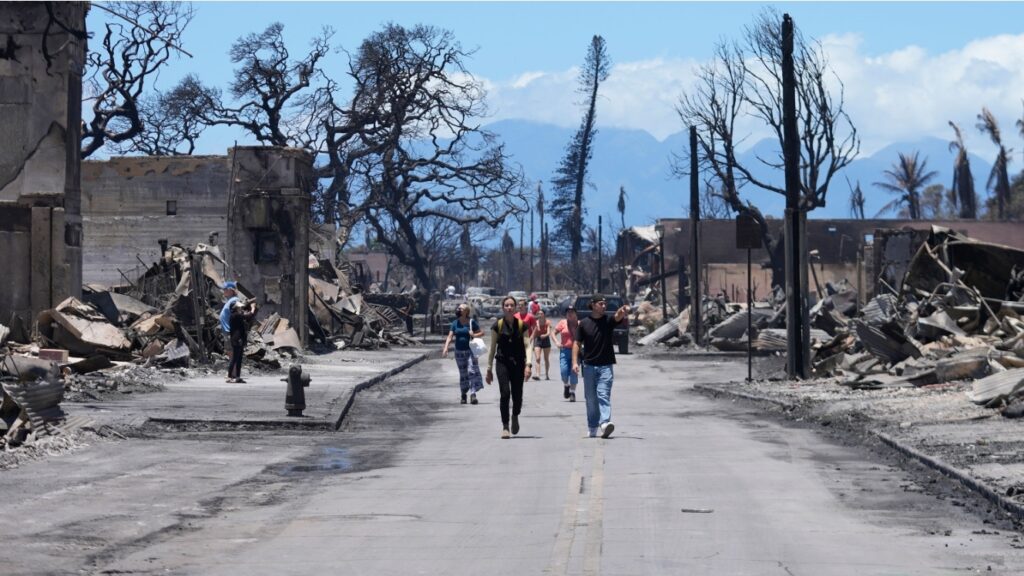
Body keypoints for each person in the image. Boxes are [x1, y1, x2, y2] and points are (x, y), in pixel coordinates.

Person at [572, 293, 630, 438]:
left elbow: (617, 316)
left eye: (605, 304)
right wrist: (574, 362)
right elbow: (576, 344)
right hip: (589, 366)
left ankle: (605, 423)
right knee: (591, 399)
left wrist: (622, 311)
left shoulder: (607, 321)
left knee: (603, 394)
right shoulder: (584, 323)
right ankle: (592, 426)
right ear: (593, 305)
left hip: (605, 366)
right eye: (601, 304)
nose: (604, 306)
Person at [485, 297, 533, 439]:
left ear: (516, 307)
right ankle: (505, 426)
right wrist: (489, 369)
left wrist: (528, 365)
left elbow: (527, 346)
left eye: (512, 305)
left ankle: (515, 415)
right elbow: (492, 348)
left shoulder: (522, 325)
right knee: (505, 393)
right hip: (502, 363)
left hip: (518, 363)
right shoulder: (497, 326)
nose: (509, 308)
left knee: (517, 395)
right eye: (507, 305)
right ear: (503, 308)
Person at [441, 303, 485, 404]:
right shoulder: (455, 323)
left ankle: (473, 394)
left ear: (466, 311)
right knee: (463, 374)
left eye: (461, 308)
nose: (458, 309)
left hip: (470, 351)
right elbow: (450, 336)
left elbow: (482, 333)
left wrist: (474, 334)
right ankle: (463, 395)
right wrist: (446, 348)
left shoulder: (471, 322)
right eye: (458, 308)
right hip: (459, 352)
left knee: (472, 371)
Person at [228, 299, 257, 383]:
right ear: (236, 308)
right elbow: (249, 315)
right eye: (239, 307)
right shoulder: (236, 315)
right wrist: (252, 308)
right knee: (235, 359)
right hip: (237, 339)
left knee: (239, 359)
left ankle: (237, 377)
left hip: (239, 339)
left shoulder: (236, 315)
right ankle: (230, 376)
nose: (241, 309)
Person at [554, 306, 579, 402]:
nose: (570, 313)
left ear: (575, 313)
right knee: (564, 371)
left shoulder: (579, 324)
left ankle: (572, 392)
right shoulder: (562, 323)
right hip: (564, 350)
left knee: (574, 372)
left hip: (575, 352)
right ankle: (566, 385)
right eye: (568, 312)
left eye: (572, 312)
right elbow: (553, 332)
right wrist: (556, 342)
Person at [219, 281, 240, 382]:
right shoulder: (230, 300)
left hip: (230, 330)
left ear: (231, 290)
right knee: (230, 352)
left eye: (225, 289)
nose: (223, 291)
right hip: (227, 330)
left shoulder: (234, 301)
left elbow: (238, 314)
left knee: (231, 352)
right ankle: (233, 373)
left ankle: (233, 375)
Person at [515, 299, 537, 372]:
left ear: (526, 306)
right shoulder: (515, 316)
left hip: (527, 339)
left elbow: (535, 328)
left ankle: (526, 369)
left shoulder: (530, 316)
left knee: (525, 355)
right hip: (517, 339)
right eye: (519, 305)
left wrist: (532, 337)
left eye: (522, 305)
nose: (520, 306)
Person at [532, 309, 552, 381]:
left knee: (546, 358)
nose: (540, 315)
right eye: (538, 313)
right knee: (537, 358)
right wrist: (530, 341)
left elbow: (549, 332)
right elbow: (533, 333)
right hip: (538, 340)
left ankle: (547, 374)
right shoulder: (536, 322)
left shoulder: (548, 322)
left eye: (541, 313)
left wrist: (545, 335)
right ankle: (537, 374)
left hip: (546, 340)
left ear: (544, 314)